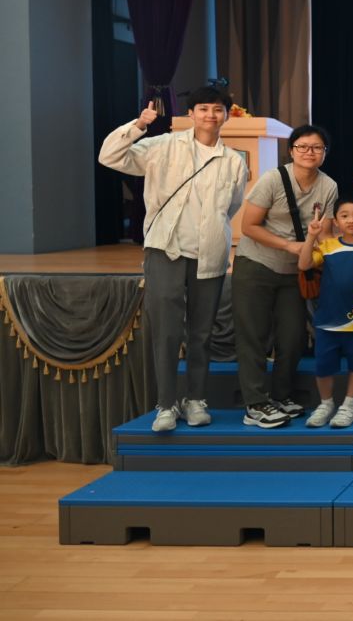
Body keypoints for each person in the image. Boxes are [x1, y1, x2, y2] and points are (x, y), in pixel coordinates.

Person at [97, 88, 248, 433]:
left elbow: (232, 206)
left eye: (217, 109)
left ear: (226, 115)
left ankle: (196, 400)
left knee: (201, 332)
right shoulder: (163, 145)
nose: (210, 115)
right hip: (165, 247)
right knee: (165, 331)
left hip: (208, 252)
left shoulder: (234, 161)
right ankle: (166, 404)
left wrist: (211, 230)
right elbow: (110, 156)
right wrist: (138, 125)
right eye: (203, 109)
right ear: (191, 114)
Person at [233, 124, 338, 428]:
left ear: (325, 153)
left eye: (317, 147)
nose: (309, 152)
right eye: (302, 146)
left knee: (292, 337)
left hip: (296, 271)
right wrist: (289, 245)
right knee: (253, 336)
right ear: (291, 151)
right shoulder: (273, 179)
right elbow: (249, 226)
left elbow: (326, 234)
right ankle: (255, 404)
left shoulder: (328, 186)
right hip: (256, 264)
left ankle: (280, 396)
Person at [297, 196, 353, 428]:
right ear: (335, 221)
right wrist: (311, 236)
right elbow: (304, 265)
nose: (351, 220)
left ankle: (349, 405)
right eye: (344, 216)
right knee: (323, 367)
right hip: (327, 321)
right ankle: (326, 404)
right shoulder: (328, 246)